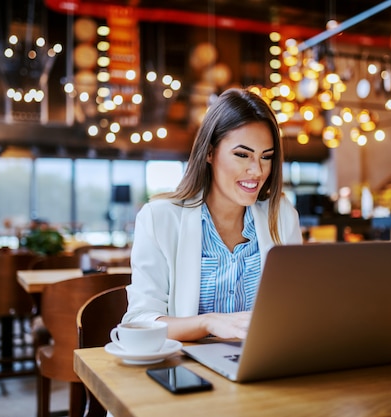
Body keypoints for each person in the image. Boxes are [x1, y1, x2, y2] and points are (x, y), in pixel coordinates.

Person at [122, 88, 303, 342]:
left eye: (266, 157)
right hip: (188, 369)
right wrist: (209, 322)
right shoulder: (158, 219)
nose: (257, 170)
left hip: (264, 362)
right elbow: (139, 321)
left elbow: (297, 308)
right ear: (209, 152)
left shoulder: (282, 215)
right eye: (242, 155)